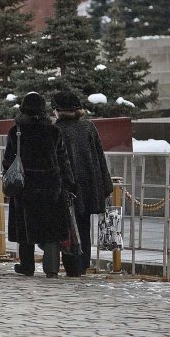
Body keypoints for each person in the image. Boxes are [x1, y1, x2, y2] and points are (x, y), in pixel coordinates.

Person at [3, 91, 76, 278]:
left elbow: (8, 161)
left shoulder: (16, 132)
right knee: (51, 229)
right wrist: (69, 183)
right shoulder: (53, 131)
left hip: (25, 186)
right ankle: (51, 268)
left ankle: (27, 265)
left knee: (25, 226)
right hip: (51, 184)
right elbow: (63, 159)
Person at [52, 90, 114, 276]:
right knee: (84, 223)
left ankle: (72, 263)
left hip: (67, 186)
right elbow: (99, 156)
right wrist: (105, 184)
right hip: (89, 185)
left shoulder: (57, 129)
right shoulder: (88, 127)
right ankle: (83, 262)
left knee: (68, 225)